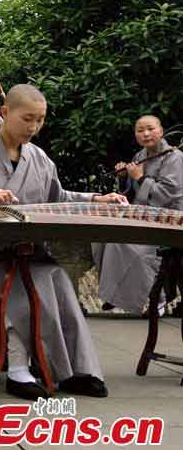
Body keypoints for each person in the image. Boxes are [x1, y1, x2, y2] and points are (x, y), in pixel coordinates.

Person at [0, 84, 127, 400]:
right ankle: (19, 369)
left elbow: (58, 198)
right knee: (22, 284)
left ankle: (77, 371)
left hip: (31, 252)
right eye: (27, 119)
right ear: (5, 112)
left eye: (40, 120)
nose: (33, 127)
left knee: (58, 281)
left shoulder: (39, 159)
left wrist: (95, 198)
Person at [93, 115, 183, 313]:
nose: (146, 134)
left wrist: (140, 177)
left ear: (160, 131)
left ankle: (155, 297)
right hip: (142, 216)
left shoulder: (175, 158)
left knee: (122, 244)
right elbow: (131, 194)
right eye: (140, 130)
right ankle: (116, 295)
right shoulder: (139, 157)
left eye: (150, 129)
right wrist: (125, 178)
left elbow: (168, 194)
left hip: (168, 219)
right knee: (101, 239)